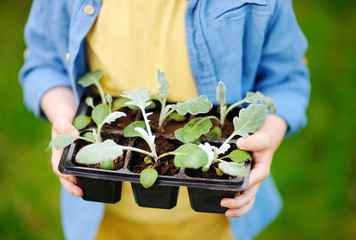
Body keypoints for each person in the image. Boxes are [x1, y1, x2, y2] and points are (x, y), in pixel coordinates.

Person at [19, 0, 310, 239]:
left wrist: (269, 134)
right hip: (101, 219)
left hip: (215, 221)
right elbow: (44, 61)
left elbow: (286, 79)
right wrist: (63, 117)